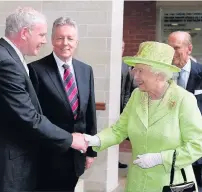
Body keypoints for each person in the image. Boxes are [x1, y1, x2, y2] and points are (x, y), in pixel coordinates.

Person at [0, 8, 87, 192]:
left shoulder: (5, 55)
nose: (43, 40)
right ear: (25, 33)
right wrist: (70, 139)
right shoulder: (4, 62)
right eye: (41, 34)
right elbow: (28, 117)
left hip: (4, 163)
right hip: (5, 168)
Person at [84, 41, 202, 192]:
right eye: (135, 69)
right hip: (138, 182)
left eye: (140, 70)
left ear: (159, 75)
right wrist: (95, 140)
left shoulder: (183, 100)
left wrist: (160, 158)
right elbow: (119, 130)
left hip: (171, 183)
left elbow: (197, 145)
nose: (134, 74)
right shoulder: (137, 96)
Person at [28, 17, 97, 191]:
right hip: (48, 158)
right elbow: (35, 117)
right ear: (52, 40)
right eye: (60, 38)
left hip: (76, 157)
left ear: (77, 42)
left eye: (70, 38)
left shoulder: (85, 70)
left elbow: (90, 112)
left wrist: (91, 151)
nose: (65, 43)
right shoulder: (35, 70)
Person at [168, 31, 202, 189]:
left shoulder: (200, 73)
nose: (172, 53)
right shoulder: (163, 75)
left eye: (176, 48)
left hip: (196, 149)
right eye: (169, 48)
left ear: (189, 48)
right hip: (169, 147)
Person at [119, 40, 133, 169]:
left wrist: (125, 107)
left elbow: (127, 89)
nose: (121, 49)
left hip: (121, 105)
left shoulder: (126, 66)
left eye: (123, 47)